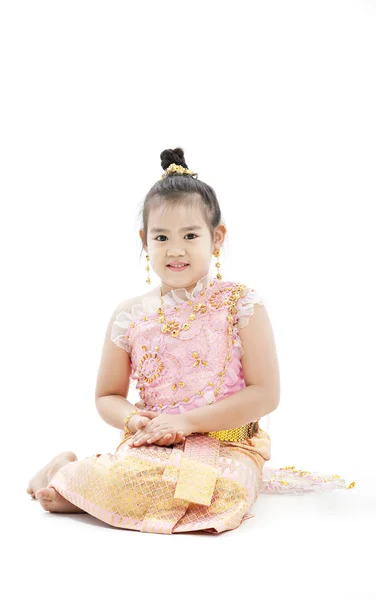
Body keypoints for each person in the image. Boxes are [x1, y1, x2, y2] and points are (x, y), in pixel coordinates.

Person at [27, 147, 355, 534]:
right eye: (161, 236)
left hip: (229, 445)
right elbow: (107, 396)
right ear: (144, 241)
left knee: (220, 495)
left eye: (190, 235)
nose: (175, 249)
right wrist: (135, 420)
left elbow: (265, 393)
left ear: (216, 238)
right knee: (131, 477)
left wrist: (188, 421)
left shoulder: (240, 304)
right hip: (154, 447)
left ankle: (76, 486)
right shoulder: (130, 315)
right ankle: (64, 470)